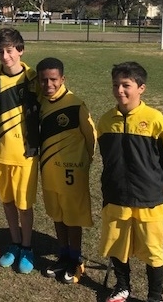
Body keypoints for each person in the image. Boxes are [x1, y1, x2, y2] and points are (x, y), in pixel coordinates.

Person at [98, 62, 163, 302]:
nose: (119, 91)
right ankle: (122, 286)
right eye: (115, 85)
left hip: (149, 198)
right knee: (117, 244)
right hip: (116, 195)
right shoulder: (105, 121)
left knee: (153, 251)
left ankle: (155, 296)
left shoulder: (155, 120)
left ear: (141, 88)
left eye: (126, 85)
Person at [0, 28, 40, 274]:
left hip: (25, 155)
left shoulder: (34, 78)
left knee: (24, 205)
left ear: (21, 50)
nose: (5, 56)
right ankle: (14, 243)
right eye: (0, 51)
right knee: (7, 203)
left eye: (10, 50)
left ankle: (27, 247)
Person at [36, 57, 96, 284]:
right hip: (49, 170)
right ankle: (63, 254)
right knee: (57, 215)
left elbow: (91, 138)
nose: (48, 85)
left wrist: (83, 164)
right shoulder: (41, 102)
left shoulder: (75, 104)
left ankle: (75, 258)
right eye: (43, 80)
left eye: (53, 79)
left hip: (72, 173)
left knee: (72, 218)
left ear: (63, 79)